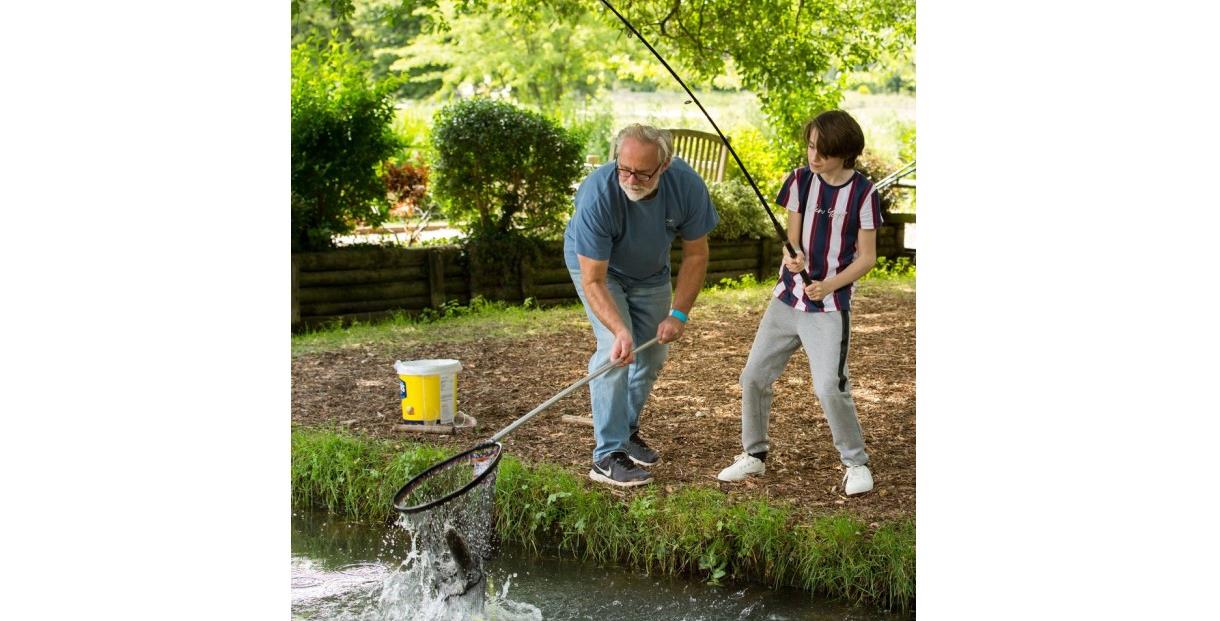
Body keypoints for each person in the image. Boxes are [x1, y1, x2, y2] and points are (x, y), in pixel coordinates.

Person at [716, 109, 881, 496]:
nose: (813, 157)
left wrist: (828, 285)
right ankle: (753, 455)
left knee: (828, 386)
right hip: (787, 300)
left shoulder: (863, 193)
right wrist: (794, 258)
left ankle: (856, 463)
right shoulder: (799, 182)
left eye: (823, 151)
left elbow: (867, 257)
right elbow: (793, 240)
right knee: (753, 376)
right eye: (810, 147)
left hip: (828, 307)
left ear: (845, 152)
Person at [564, 123, 720, 488]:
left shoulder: (687, 186)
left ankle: (627, 429)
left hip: (650, 272)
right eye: (624, 168)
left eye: (642, 172)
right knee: (615, 350)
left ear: (664, 166)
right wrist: (620, 330)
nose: (631, 179)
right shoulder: (597, 195)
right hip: (600, 270)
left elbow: (696, 255)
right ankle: (607, 455)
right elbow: (594, 280)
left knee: (652, 356)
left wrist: (678, 314)